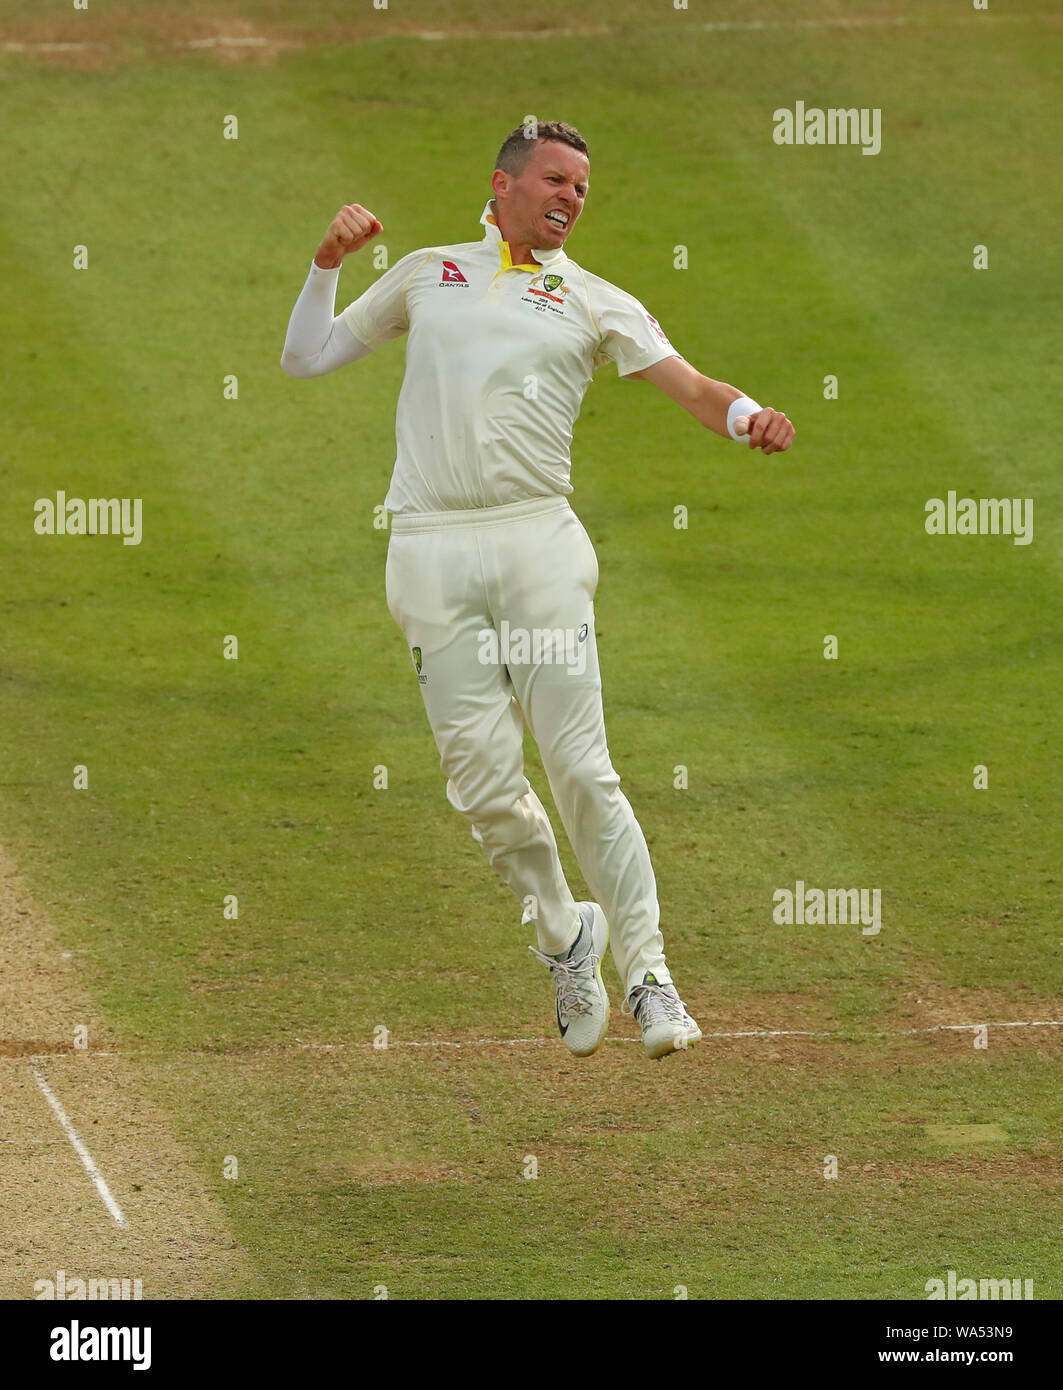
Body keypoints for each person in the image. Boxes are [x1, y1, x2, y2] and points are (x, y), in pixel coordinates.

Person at [281, 119, 794, 1060]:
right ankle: (564, 934)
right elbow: (305, 357)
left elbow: (686, 384)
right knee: (481, 786)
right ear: (504, 184)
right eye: (556, 181)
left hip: (535, 547)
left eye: (583, 190)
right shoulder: (428, 272)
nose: (570, 199)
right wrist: (325, 261)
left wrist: (748, 416)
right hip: (429, 550)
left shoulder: (594, 300)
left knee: (579, 769)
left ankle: (649, 977)